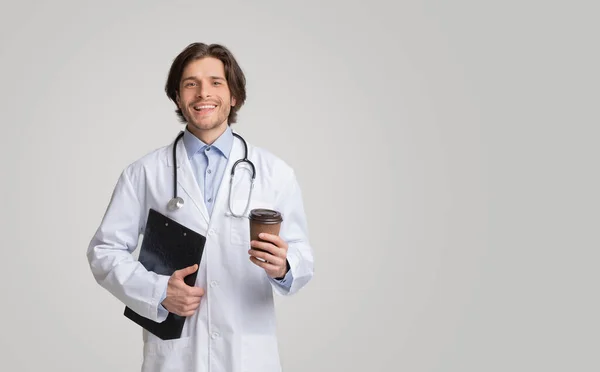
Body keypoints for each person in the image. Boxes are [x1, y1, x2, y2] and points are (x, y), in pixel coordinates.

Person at [86, 42, 314, 372]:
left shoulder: (274, 172)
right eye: (190, 84)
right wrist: (158, 291)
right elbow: (104, 251)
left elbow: (302, 256)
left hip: (247, 356)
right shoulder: (145, 173)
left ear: (234, 95)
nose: (202, 93)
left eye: (215, 82)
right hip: (176, 357)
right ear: (178, 97)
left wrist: (284, 265)